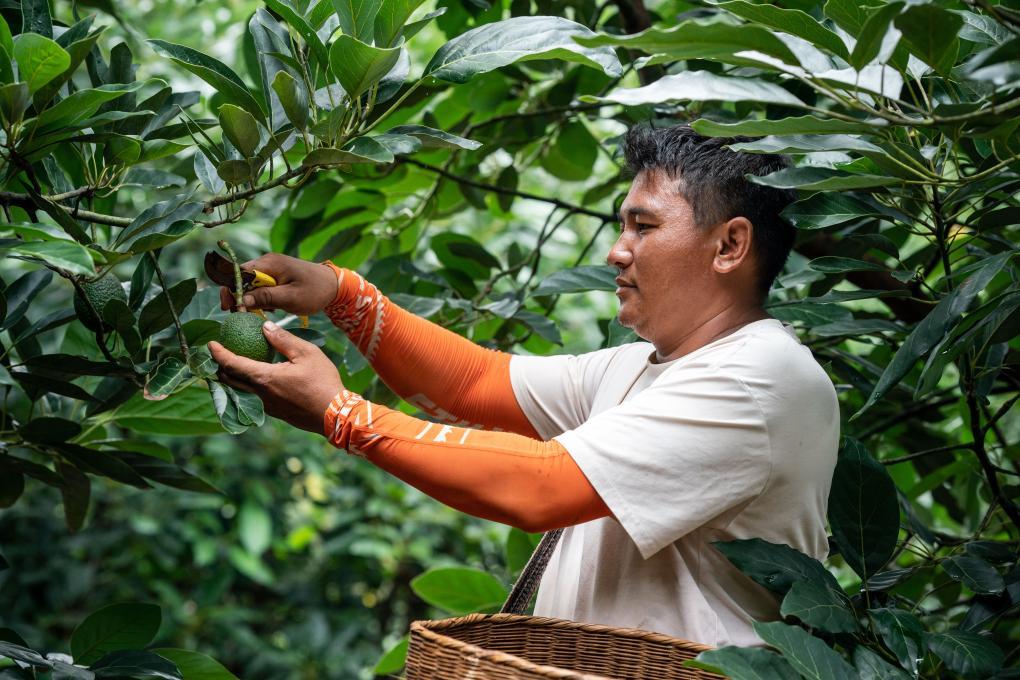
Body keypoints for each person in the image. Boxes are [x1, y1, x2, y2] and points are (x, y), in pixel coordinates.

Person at [209, 124, 839, 648]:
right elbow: (473, 383)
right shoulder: (643, 366)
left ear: (729, 245)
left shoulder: (758, 377)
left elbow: (541, 486)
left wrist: (341, 414)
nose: (617, 251)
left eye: (642, 227)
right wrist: (343, 294)